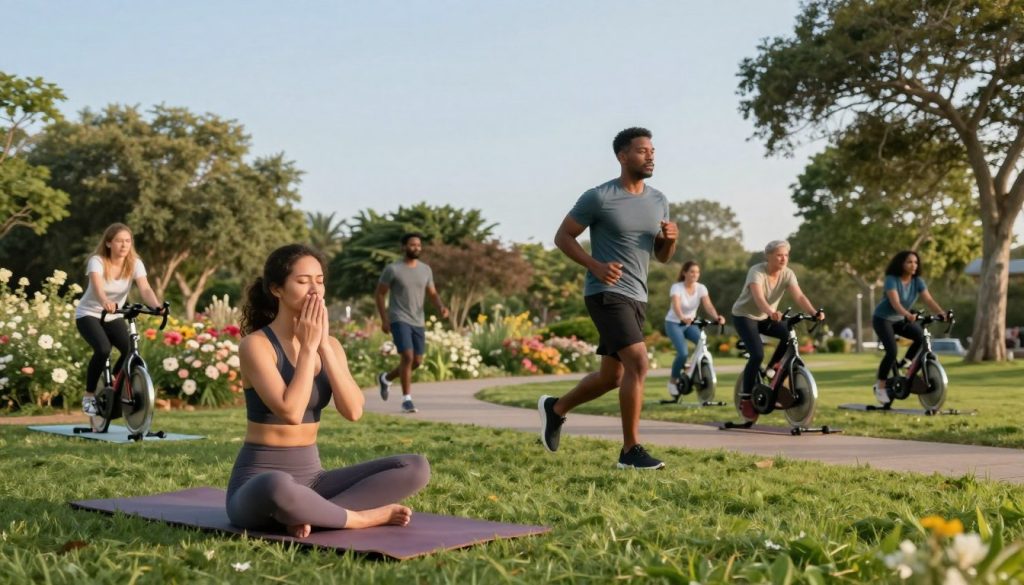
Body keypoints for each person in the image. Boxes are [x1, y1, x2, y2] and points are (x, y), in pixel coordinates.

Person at [228, 244, 430, 537]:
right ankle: (357, 518)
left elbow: (353, 411)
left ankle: (307, 513)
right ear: (276, 289)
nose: (315, 290)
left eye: (319, 281)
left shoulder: (330, 346)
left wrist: (323, 345)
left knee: (415, 467)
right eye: (303, 281)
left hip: (314, 481)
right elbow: (291, 413)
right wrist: (308, 347)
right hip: (258, 483)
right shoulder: (256, 345)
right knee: (277, 485)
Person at [538, 127, 677, 470]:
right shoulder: (599, 197)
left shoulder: (659, 200)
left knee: (612, 377)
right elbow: (563, 236)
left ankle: (556, 408)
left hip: (637, 295)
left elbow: (662, 256)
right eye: (642, 151)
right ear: (622, 156)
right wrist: (594, 265)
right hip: (605, 293)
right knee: (639, 364)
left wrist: (670, 239)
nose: (650, 156)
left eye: (653, 151)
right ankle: (630, 451)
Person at [75, 223, 164, 417]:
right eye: (119, 241)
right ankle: (89, 396)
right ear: (108, 243)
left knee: (129, 349)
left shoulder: (135, 263)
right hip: (89, 314)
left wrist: (156, 307)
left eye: (127, 241)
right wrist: (105, 301)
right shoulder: (97, 261)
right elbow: (97, 288)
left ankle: (115, 382)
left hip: (113, 315)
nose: (124, 245)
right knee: (103, 349)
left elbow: (145, 289)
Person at [731, 240, 824, 419]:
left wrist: (814, 313)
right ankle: (746, 398)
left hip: (767, 316)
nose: (783, 259)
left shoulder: (788, 273)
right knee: (757, 355)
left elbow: (799, 296)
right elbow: (758, 297)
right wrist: (771, 312)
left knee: (788, 335)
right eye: (779, 255)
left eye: (786, 255)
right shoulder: (756, 271)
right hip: (744, 317)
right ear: (768, 256)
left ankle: (772, 369)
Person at [374, 233, 449, 413]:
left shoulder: (425, 270)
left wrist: (441, 307)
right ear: (404, 247)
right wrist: (385, 319)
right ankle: (407, 400)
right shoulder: (393, 269)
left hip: (418, 320)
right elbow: (380, 294)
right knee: (407, 356)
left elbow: (432, 293)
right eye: (412, 244)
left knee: (417, 361)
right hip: (399, 318)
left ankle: (386, 378)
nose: (416, 248)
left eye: (419, 245)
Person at [871, 250, 947, 405]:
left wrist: (941, 313)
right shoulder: (892, 279)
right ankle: (880, 386)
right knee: (892, 351)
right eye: (909, 262)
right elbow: (895, 303)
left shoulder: (917, 281)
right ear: (901, 264)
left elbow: (928, 299)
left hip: (901, 319)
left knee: (920, 337)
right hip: (883, 319)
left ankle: (905, 362)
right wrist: (907, 314)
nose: (914, 265)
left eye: (916, 262)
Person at [664, 261, 725, 397]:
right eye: (692, 271)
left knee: (702, 345)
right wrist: (682, 317)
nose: (695, 274)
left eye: (697, 272)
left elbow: (708, 305)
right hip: (674, 323)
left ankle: (691, 371)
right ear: (684, 273)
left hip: (690, 324)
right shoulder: (676, 287)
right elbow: (676, 305)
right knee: (683, 353)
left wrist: (717, 317)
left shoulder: (701, 288)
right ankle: (673, 381)